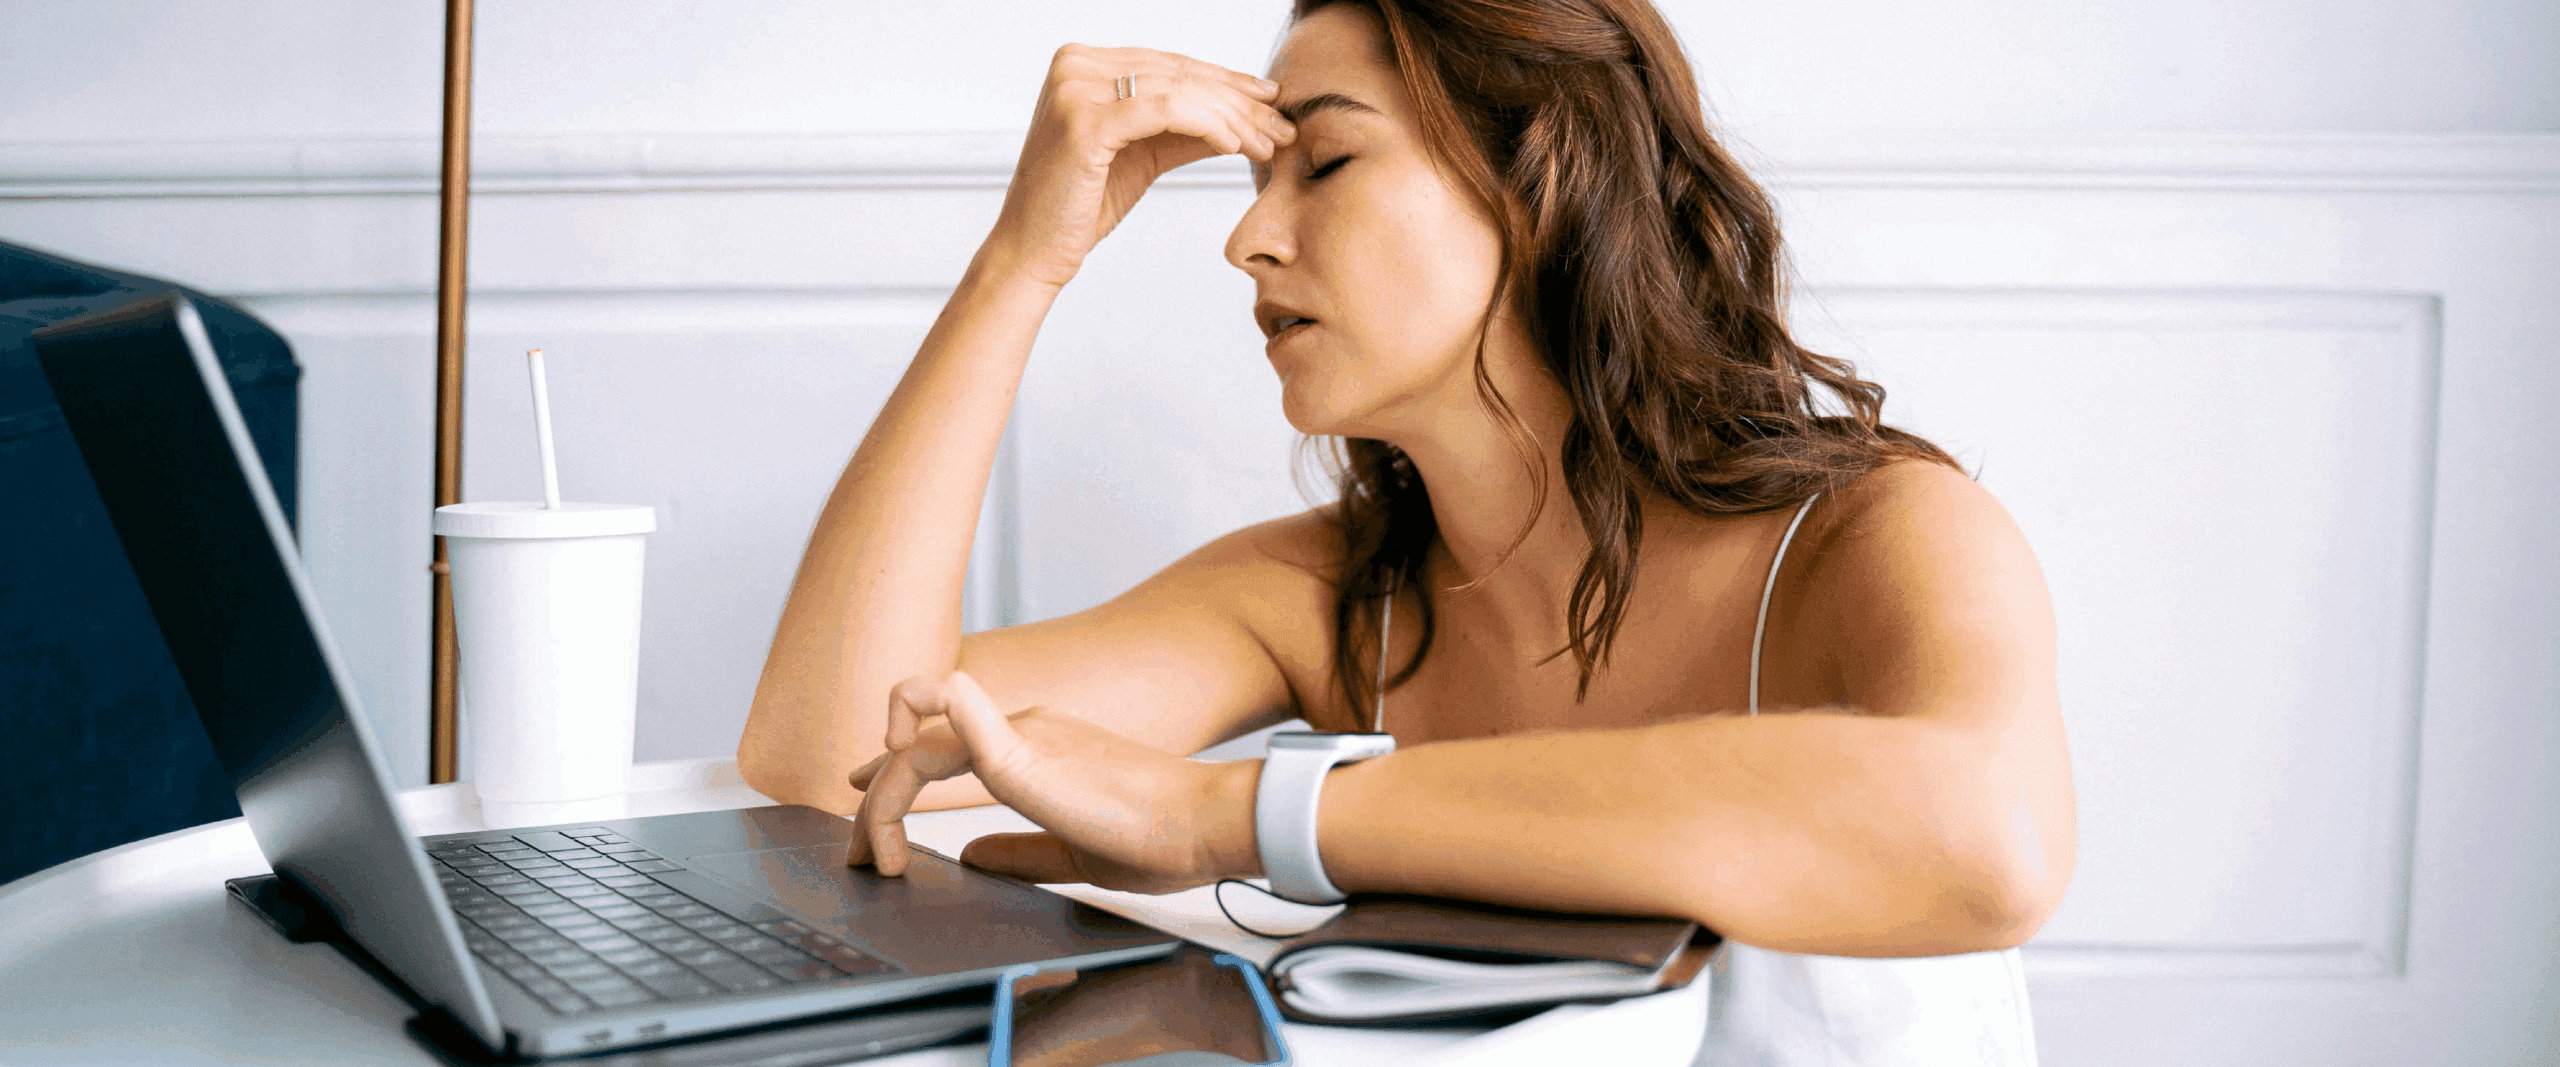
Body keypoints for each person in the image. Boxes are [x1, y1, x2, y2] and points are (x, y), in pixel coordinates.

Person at [741, 0, 2071, 1059]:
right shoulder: (1333, 591)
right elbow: (832, 752)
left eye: (1324, 161)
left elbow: (1989, 836)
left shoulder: (1876, 534)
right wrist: (1020, 260)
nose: (1249, 239)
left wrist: (1228, 811)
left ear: (1541, 176)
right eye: (1258, 181)